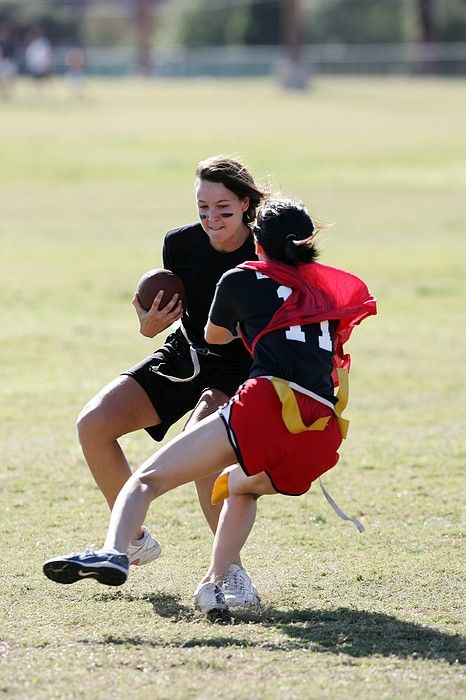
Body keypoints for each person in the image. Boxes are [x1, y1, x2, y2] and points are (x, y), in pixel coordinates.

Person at [43, 198, 377, 620]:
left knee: (146, 480)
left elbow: (215, 338)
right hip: (322, 429)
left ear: (256, 237)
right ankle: (216, 584)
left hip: (266, 402)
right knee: (240, 486)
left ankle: (115, 553)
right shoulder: (328, 290)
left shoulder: (241, 277)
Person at [75, 156, 266, 605]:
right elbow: (176, 315)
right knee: (94, 425)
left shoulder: (266, 250)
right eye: (202, 207)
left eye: (222, 208)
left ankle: (231, 576)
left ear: (245, 203)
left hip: (241, 367)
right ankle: (135, 538)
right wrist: (149, 325)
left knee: (203, 449)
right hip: (188, 355)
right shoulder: (179, 244)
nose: (211, 219)